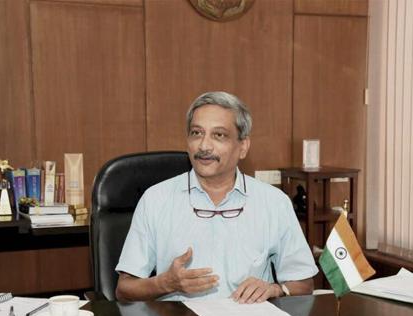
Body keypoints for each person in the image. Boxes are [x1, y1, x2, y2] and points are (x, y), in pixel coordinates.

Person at [115, 91, 318, 302]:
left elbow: (304, 283)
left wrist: (275, 289)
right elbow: (124, 289)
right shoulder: (155, 200)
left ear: (243, 147)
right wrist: (165, 283)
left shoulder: (274, 203)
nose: (204, 146)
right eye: (196, 133)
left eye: (219, 135)